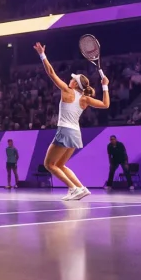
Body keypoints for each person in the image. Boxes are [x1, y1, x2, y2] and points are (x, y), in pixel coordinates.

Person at [34, 41, 109, 201]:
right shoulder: (85, 98)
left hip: (65, 131)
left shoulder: (68, 91)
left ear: (75, 84)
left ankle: (73, 188)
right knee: (60, 164)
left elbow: (51, 73)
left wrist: (42, 55)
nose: (70, 79)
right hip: (76, 133)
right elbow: (105, 104)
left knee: (49, 164)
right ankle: (81, 187)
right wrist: (105, 86)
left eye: (73, 79)